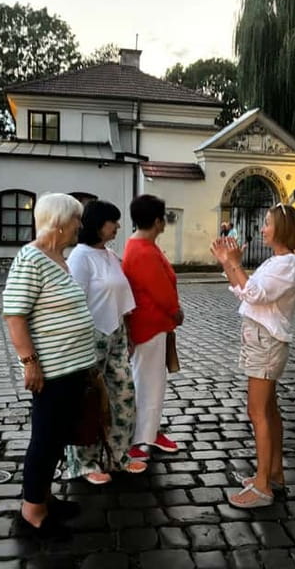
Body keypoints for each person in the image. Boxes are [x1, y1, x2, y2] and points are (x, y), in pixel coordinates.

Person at [2, 192, 96, 536]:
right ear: (59, 222)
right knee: (44, 440)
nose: (79, 227)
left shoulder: (57, 258)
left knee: (57, 439)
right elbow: (15, 315)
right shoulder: (31, 258)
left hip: (70, 368)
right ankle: (32, 514)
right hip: (52, 372)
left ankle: (43, 497)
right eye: (76, 220)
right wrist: (29, 362)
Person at [210, 202, 295, 509]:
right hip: (262, 339)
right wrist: (228, 263)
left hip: (266, 341)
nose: (262, 228)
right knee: (269, 410)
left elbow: (253, 294)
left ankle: (263, 486)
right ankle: (273, 473)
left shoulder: (286, 265)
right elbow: (245, 290)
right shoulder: (276, 262)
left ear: (282, 229)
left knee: (258, 413)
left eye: (267, 223)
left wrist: (234, 262)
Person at [63, 200, 146, 485]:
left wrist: (128, 333)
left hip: (117, 334)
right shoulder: (80, 257)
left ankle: (118, 456)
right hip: (90, 337)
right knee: (88, 401)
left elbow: (121, 296)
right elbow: (74, 304)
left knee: (123, 395)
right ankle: (85, 463)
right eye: (114, 221)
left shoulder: (110, 255)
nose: (118, 227)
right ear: (99, 224)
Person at [122, 194, 183, 461]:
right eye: (163, 219)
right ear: (157, 221)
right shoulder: (143, 250)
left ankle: (150, 430)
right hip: (149, 325)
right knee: (147, 383)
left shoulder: (143, 245)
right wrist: (175, 311)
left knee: (154, 382)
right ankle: (138, 438)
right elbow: (161, 291)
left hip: (154, 325)